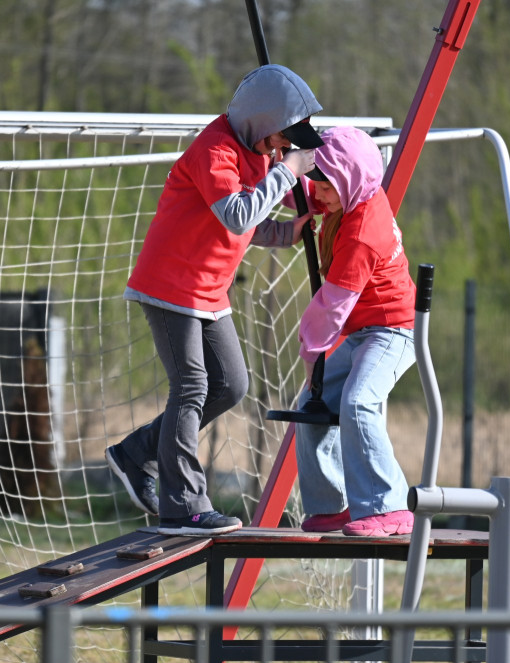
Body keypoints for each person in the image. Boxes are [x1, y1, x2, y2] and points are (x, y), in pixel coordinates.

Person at [106, 64, 324, 536]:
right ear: (260, 121)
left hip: (208, 289)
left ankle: (136, 452)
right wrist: (286, 172)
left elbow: (249, 223)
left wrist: (285, 232)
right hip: (170, 285)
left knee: (231, 384)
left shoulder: (262, 154)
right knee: (192, 386)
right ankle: (182, 506)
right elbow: (236, 215)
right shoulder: (215, 150)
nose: (283, 149)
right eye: (281, 138)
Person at [292, 126, 417, 537]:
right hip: (364, 332)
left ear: (346, 180)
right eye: (318, 184)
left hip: (394, 331)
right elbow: (304, 193)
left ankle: (390, 506)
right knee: (311, 406)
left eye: (326, 187)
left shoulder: (363, 231)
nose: (319, 195)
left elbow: (332, 307)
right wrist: (278, 172)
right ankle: (331, 505)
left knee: (359, 402)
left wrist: (312, 355)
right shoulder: (348, 193)